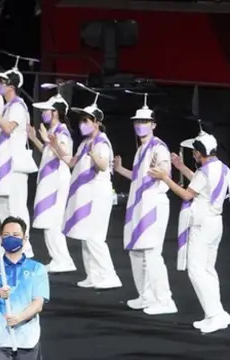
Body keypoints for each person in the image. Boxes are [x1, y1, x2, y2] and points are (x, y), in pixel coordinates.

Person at [148, 132, 230, 334]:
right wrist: (181, 167)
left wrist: (165, 178)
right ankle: (217, 313)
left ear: (198, 152)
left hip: (202, 224)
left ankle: (214, 315)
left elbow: (187, 194)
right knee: (208, 269)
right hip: (215, 223)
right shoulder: (223, 168)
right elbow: (202, 185)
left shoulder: (204, 172)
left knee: (196, 270)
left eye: (194, 151)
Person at [49, 101, 122, 289]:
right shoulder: (84, 143)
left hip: (97, 193)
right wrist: (55, 145)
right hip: (84, 193)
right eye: (81, 120)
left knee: (95, 236)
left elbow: (103, 165)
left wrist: (93, 154)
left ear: (96, 122)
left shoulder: (101, 142)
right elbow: (71, 162)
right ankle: (93, 274)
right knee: (84, 233)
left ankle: (109, 275)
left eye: (86, 120)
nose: (82, 124)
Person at [113, 103, 177, 315]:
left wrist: (163, 171)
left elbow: (164, 170)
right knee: (136, 252)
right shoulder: (142, 149)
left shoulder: (159, 147)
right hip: (137, 205)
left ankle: (165, 300)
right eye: (137, 122)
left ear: (153, 125)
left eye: (145, 122)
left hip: (154, 205)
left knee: (151, 253)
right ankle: (146, 295)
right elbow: (138, 177)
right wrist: (120, 169)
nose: (140, 125)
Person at [0, 72, 34, 257]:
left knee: (16, 206)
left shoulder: (18, 105)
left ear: (12, 86)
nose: (0, 84)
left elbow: (8, 127)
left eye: (3, 82)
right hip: (3, 164)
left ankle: (25, 246)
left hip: (15, 164)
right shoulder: (7, 106)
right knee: (2, 203)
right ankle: (10, 245)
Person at [0, 216, 48, 360]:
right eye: (6, 235)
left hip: (27, 338)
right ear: (0, 238)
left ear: (25, 238)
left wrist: (18, 318)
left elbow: (38, 304)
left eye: (16, 235)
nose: (11, 238)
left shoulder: (37, 268)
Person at [28, 92, 76, 273]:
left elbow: (66, 157)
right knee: (47, 220)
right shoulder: (53, 132)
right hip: (49, 179)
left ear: (55, 112)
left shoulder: (62, 133)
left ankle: (63, 260)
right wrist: (35, 139)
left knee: (53, 221)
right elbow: (48, 152)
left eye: (46, 110)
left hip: (57, 180)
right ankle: (58, 258)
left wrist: (51, 142)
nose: (43, 114)